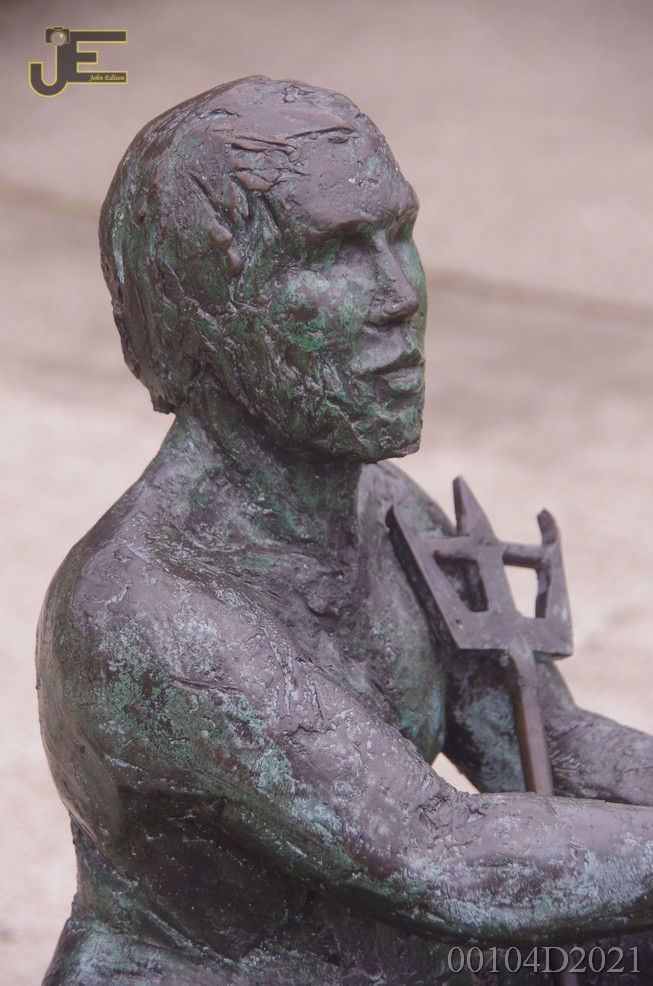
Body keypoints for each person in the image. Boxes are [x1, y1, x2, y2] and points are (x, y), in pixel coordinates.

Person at [37, 76, 653, 986]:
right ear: (204, 309)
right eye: (331, 254)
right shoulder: (145, 615)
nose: (398, 296)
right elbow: (444, 858)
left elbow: (539, 743)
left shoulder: (389, 506)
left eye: (397, 236)